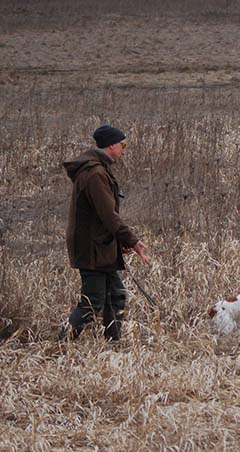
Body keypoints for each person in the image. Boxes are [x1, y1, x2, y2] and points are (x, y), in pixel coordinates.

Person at [59, 125, 150, 342]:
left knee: (115, 296)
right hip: (92, 248)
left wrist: (118, 242)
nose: (124, 150)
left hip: (100, 245)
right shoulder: (95, 174)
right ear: (111, 145)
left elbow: (102, 218)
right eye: (123, 145)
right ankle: (62, 344)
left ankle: (113, 343)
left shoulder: (99, 169)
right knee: (92, 303)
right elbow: (108, 215)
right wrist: (132, 241)